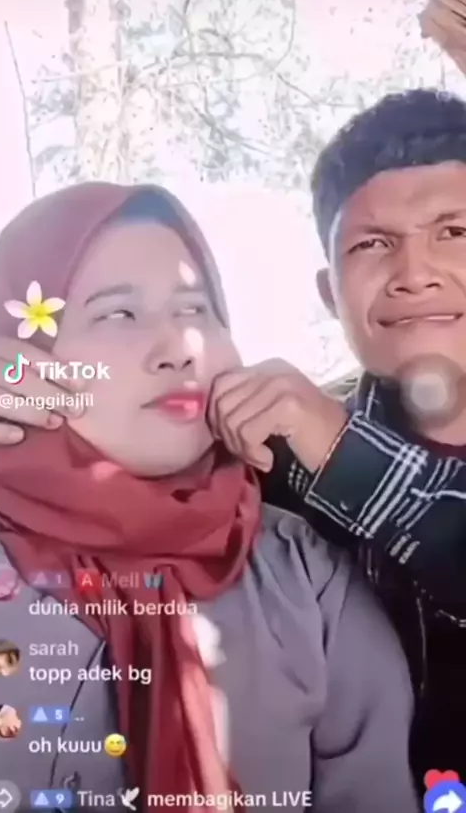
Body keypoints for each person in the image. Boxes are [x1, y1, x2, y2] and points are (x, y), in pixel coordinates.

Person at [0, 183, 417, 811]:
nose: (179, 349)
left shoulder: (303, 574)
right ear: (17, 351)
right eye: (118, 314)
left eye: (196, 309)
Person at [207, 89, 466, 789]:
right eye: (372, 245)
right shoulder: (270, 463)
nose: (415, 274)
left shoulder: (319, 439)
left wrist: (342, 452)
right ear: (330, 294)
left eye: (453, 232)